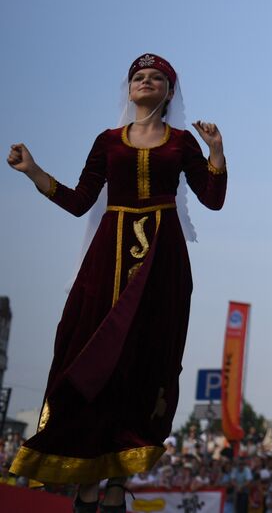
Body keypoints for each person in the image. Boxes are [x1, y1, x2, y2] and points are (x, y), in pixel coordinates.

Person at [6, 53, 227, 512]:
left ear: (169, 92)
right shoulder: (107, 141)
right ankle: (87, 473)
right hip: (108, 255)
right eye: (138, 77)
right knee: (90, 352)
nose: (145, 82)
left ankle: (115, 480)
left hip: (163, 260)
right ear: (129, 89)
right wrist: (33, 172)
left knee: (146, 359)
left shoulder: (183, 142)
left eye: (155, 78)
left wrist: (217, 154)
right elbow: (79, 200)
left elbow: (213, 199)